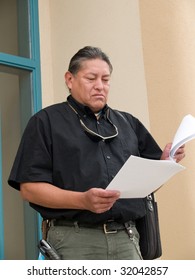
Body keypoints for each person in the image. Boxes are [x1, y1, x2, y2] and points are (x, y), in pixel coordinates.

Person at [8, 46, 185, 260]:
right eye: (91, 78)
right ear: (69, 80)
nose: (100, 86)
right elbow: (29, 189)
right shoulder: (44, 122)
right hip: (73, 240)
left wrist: (164, 165)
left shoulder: (129, 123)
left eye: (106, 79)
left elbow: (145, 186)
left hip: (127, 239)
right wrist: (82, 200)